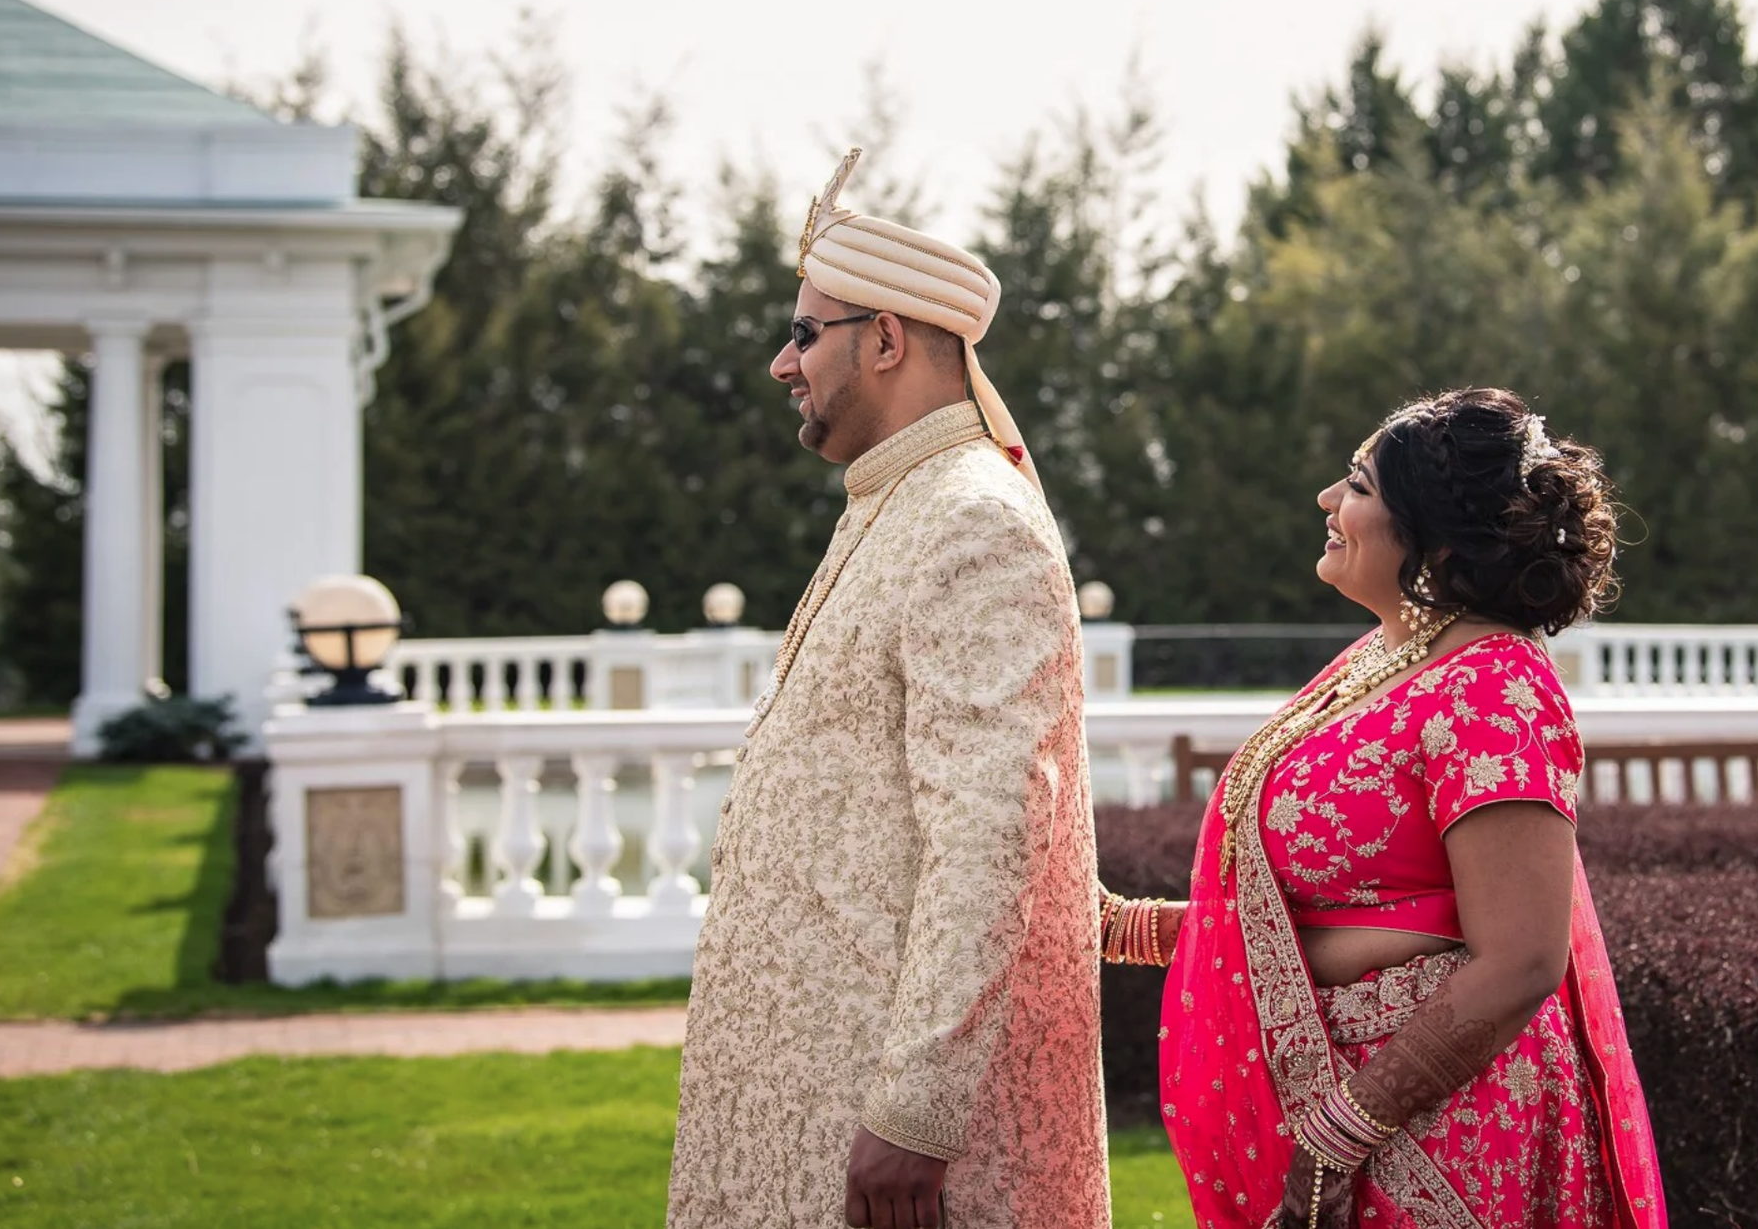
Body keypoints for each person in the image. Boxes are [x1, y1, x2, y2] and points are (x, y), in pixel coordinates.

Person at [667, 149, 1108, 1229]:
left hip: (884, 1120)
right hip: (807, 1089)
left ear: (887, 337)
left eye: (804, 331)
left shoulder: (971, 518)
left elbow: (991, 826)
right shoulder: (894, 500)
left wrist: (916, 1110)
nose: (783, 361)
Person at [1104, 387, 1667, 1229]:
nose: (1329, 501)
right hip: (1346, 1105)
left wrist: (1342, 1129)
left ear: (1434, 536)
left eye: (1360, 486)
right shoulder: (1384, 660)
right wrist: (1126, 929)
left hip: (1445, 1126)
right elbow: (1308, 916)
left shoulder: (1491, 687)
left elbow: (1520, 957)